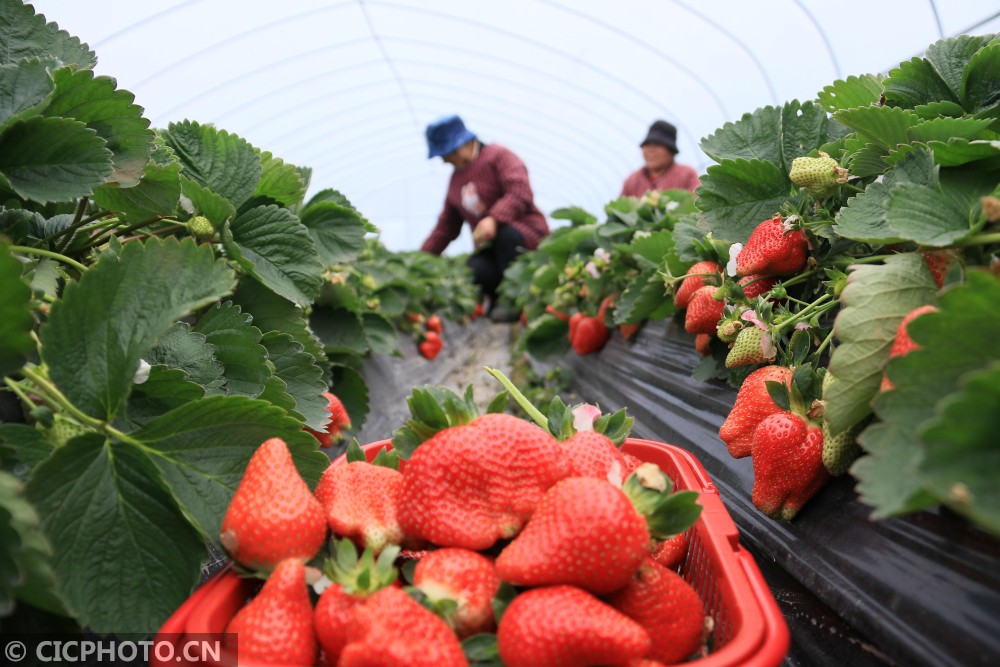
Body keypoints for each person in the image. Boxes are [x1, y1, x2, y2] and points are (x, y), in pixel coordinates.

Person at [420, 115, 550, 321]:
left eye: (445, 154)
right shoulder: (456, 181)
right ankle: (500, 300)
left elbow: (519, 191)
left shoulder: (498, 156)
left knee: (505, 236)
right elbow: (446, 227)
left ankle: (520, 299)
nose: (444, 160)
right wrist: (420, 259)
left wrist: (494, 219)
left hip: (526, 237)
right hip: (491, 248)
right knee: (475, 268)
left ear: (461, 145)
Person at [620, 120, 700, 197]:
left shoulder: (687, 175)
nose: (651, 150)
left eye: (657, 145)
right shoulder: (632, 181)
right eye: (647, 145)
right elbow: (618, 208)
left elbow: (697, 205)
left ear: (671, 151)